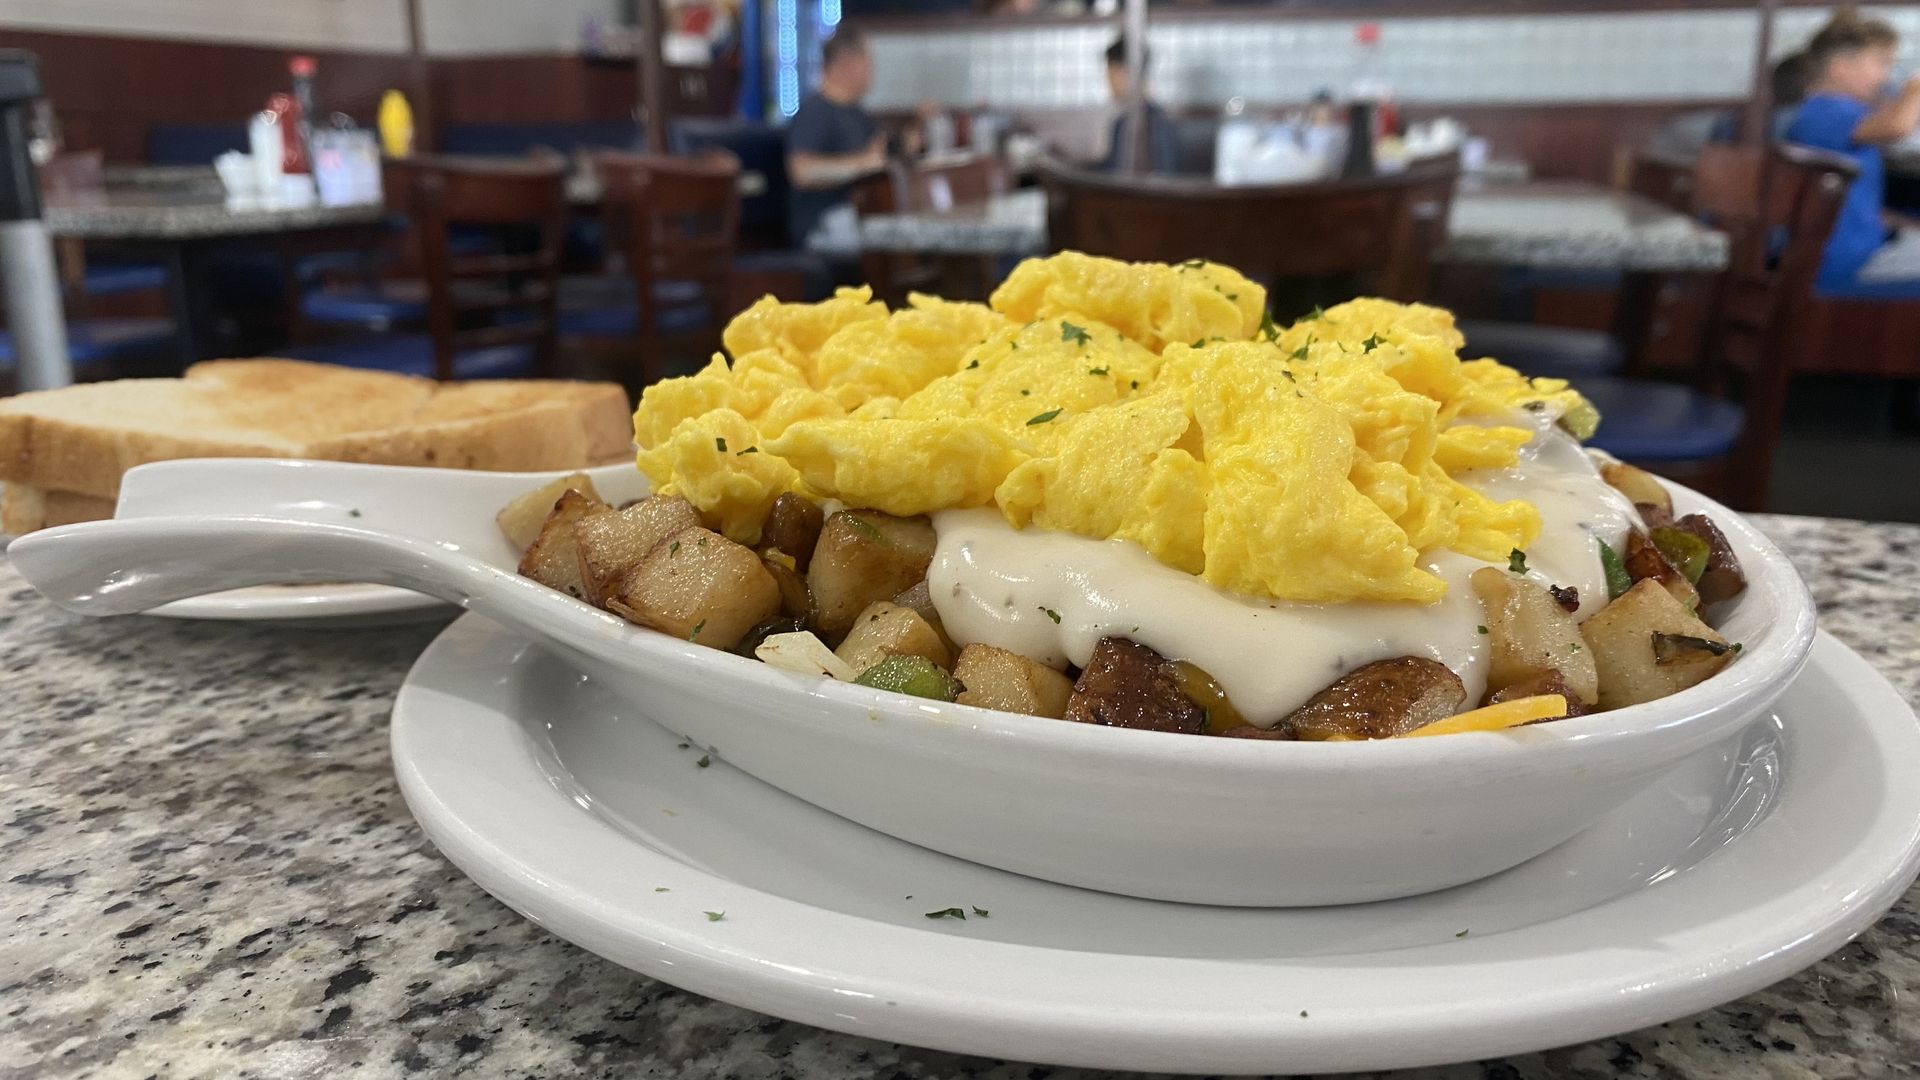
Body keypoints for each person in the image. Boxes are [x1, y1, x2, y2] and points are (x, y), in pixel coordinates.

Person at [1786, 9, 1920, 288]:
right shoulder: (1821, 112)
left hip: (1864, 250)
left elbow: (1860, 205)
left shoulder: (1846, 111)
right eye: (1882, 64)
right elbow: (1897, 127)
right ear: (1841, 68)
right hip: (1846, 262)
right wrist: (1915, 87)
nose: (1886, 76)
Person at [786, 26, 886, 248]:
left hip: (860, 214)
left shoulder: (858, 114)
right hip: (824, 223)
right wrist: (862, 165)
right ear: (850, 65)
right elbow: (801, 172)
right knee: (888, 241)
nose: (873, 69)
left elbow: (877, 158)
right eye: (868, 61)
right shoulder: (815, 111)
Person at [1099, 38, 1179, 175]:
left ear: (1125, 73)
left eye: (1110, 75)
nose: (1108, 83)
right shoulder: (1126, 120)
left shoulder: (1149, 122)